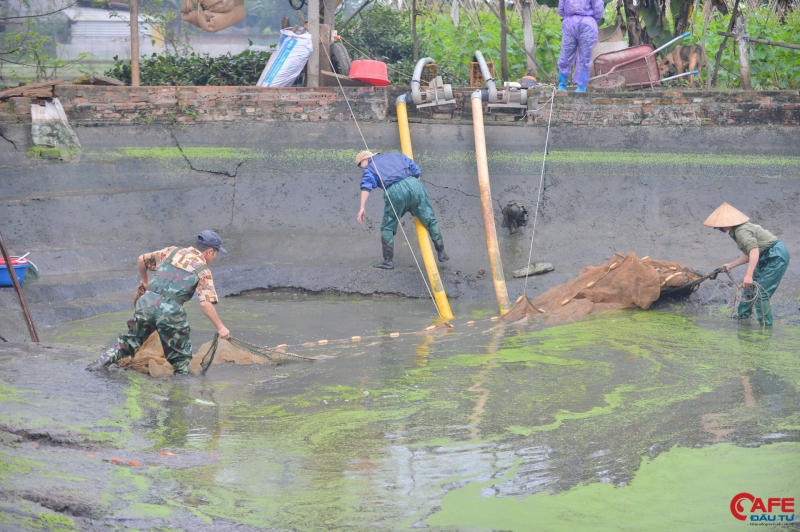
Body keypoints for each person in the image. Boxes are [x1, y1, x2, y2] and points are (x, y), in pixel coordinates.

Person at [86, 230, 231, 373]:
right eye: (216, 253)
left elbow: (142, 259)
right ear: (210, 251)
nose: (214, 257)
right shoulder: (203, 270)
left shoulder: (172, 251)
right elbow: (205, 303)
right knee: (181, 360)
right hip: (169, 312)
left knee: (129, 342)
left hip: (147, 303)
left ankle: (97, 365)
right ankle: (180, 389)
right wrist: (220, 327)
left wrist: (144, 281)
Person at [356, 150, 448, 270]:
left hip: (395, 191)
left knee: (387, 227)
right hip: (415, 184)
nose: (362, 168)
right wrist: (414, 188)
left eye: (360, 165)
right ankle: (442, 253)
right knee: (430, 220)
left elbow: (366, 186)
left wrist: (362, 207)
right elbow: (416, 171)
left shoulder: (369, 168)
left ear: (365, 159)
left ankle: (388, 262)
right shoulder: (397, 155)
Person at [704, 202, 790, 326]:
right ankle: (743, 317)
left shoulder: (741, 231)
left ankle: (765, 325)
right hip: (765, 254)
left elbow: (754, 250)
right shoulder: (737, 231)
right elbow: (750, 253)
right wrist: (731, 265)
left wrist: (749, 275)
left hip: (775, 255)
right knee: (748, 288)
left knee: (762, 293)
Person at [557, 0, 604, 92]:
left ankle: (563, 85)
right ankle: (580, 86)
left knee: (566, 54)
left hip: (570, 23)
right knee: (584, 56)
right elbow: (598, 9)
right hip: (586, 22)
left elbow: (561, 9)